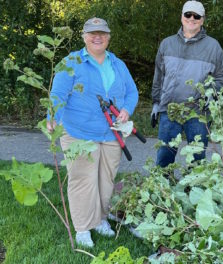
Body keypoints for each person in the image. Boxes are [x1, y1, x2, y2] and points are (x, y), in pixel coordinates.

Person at [47, 17, 139, 247]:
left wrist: (126, 110)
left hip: (111, 133)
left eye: (102, 33)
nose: (97, 37)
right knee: (82, 179)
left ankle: (99, 220)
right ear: (84, 37)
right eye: (92, 33)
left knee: (105, 179)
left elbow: (132, 92)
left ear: (108, 37)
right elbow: (57, 95)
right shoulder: (71, 62)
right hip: (79, 132)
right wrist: (52, 118)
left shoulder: (117, 64)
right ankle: (82, 228)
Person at [150, 0, 223, 168]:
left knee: (197, 158)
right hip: (169, 110)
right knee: (164, 156)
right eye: (188, 14)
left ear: (202, 20)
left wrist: (212, 94)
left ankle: (193, 191)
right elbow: (158, 76)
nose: (192, 18)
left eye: (196, 16)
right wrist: (156, 103)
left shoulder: (213, 47)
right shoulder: (167, 44)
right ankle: (163, 188)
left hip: (198, 113)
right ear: (181, 17)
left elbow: (220, 78)